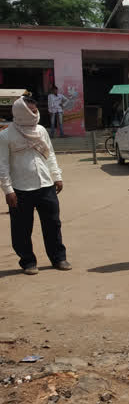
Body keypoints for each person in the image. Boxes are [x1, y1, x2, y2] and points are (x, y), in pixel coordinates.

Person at [1, 97, 71, 275]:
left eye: (35, 110)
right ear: (20, 112)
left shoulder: (41, 130)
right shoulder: (6, 135)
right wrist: (8, 190)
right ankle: (28, 262)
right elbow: (2, 165)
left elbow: (50, 154)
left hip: (46, 185)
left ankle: (58, 258)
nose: (35, 113)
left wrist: (57, 176)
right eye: (31, 111)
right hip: (20, 189)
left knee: (53, 224)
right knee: (22, 228)